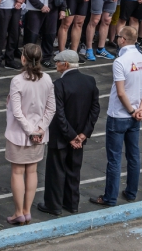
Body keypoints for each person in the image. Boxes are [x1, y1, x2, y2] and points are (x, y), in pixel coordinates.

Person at [90, 26, 142, 207]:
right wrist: (140, 109)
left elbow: (120, 92)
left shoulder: (120, 61)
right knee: (133, 155)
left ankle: (110, 197)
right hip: (136, 116)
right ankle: (131, 192)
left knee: (114, 159)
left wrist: (131, 110)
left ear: (123, 40)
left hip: (119, 115)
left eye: (118, 36)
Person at [38, 49, 100, 216]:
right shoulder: (90, 81)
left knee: (56, 171)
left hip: (61, 137)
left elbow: (59, 114)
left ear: (65, 64)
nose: (56, 65)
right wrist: (83, 134)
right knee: (74, 170)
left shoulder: (59, 84)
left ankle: (53, 205)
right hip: (80, 137)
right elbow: (95, 109)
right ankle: (72, 204)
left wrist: (70, 135)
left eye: (58, 62)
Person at [3, 43, 56, 225]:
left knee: (17, 172)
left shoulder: (17, 81)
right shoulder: (47, 79)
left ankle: (18, 212)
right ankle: (27, 211)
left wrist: (29, 131)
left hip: (18, 135)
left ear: (23, 58)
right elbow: (51, 108)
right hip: (39, 135)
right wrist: (40, 129)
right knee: (32, 171)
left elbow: (17, 111)